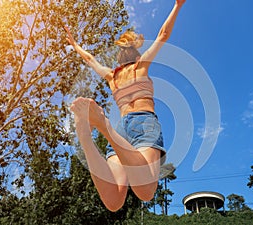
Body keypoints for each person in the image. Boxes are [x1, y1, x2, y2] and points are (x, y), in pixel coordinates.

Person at [66, 0, 186, 212]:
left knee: (113, 202)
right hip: (143, 121)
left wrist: (75, 45)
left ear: (120, 58)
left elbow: (90, 59)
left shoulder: (112, 76)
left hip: (122, 127)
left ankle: (87, 138)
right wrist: (177, 6)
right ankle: (104, 127)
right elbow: (162, 36)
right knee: (146, 191)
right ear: (136, 54)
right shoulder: (141, 66)